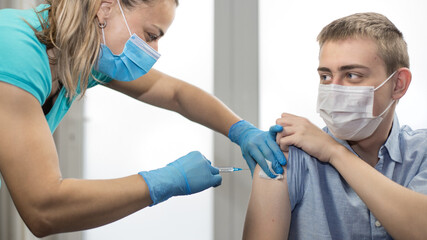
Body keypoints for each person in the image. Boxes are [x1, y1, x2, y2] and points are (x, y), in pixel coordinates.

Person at [0, 0, 286, 237]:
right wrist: (162, 182)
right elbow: (43, 209)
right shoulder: (16, 52)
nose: (155, 51)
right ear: (105, 9)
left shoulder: (84, 55)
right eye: (151, 35)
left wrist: (241, 130)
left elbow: (175, 93)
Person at [243, 12, 427, 240]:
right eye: (326, 77)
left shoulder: (422, 153)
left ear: (398, 85)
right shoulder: (287, 157)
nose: (334, 91)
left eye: (352, 75)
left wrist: (334, 152)